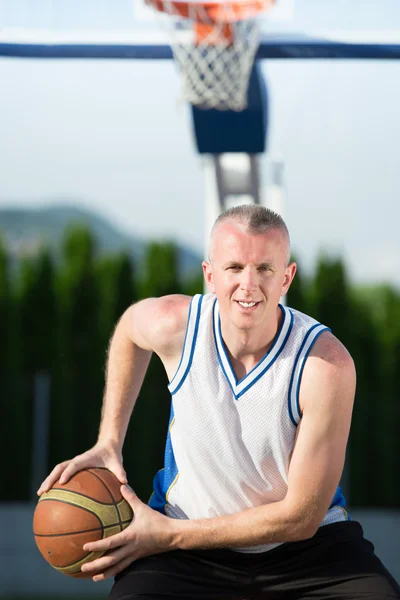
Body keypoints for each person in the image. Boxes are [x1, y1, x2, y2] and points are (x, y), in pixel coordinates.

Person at [38, 205, 400, 599]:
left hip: (306, 552)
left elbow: (300, 518)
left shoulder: (324, 365)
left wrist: (170, 535)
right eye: (234, 268)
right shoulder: (177, 326)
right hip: (187, 549)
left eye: (265, 268)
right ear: (210, 275)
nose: (249, 284)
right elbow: (129, 328)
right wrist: (109, 440)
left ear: (286, 277)